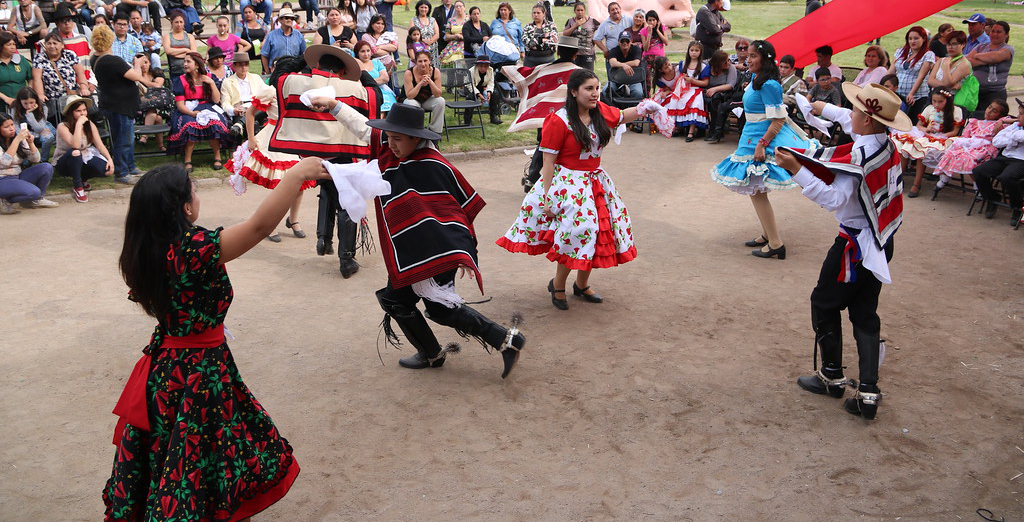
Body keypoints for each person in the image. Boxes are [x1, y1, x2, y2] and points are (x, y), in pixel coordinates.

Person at [102, 158, 323, 521]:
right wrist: (296, 175)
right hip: (200, 375)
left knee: (172, 460)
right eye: (194, 190)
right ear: (185, 207)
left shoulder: (142, 250)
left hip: (162, 373)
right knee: (212, 463)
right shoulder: (192, 247)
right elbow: (259, 227)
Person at [310, 100, 526, 376]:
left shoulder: (431, 165)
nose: (391, 145)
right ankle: (484, 344)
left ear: (417, 138)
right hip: (412, 253)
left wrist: (458, 251)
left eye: (397, 139)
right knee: (418, 305)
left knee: (417, 305)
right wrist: (332, 105)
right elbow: (364, 130)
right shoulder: (391, 156)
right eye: (388, 138)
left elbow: (452, 214)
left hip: (437, 250)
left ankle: (461, 348)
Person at [776, 82, 912, 421]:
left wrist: (797, 171)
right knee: (865, 312)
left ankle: (832, 376)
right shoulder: (885, 144)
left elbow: (836, 199)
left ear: (865, 119)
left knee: (823, 302)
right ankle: (868, 392)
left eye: (854, 110)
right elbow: (851, 121)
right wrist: (823, 108)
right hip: (881, 240)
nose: (848, 113)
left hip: (855, 245)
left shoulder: (858, 156)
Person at [498, 68, 642, 310]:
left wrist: (650, 107)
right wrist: (548, 198)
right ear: (574, 92)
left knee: (599, 232)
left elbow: (623, 115)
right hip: (568, 185)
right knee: (575, 232)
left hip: (596, 182)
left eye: (597, 88)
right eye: (589, 89)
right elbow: (548, 163)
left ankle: (582, 284)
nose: (595, 94)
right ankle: (558, 284)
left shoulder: (600, 112)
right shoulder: (558, 120)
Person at [711, 40, 814, 259]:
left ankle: (775, 242)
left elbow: (777, 120)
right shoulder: (758, 79)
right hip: (751, 136)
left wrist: (762, 144)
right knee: (757, 191)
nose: (748, 59)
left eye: (753, 56)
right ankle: (768, 235)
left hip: (761, 140)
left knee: (757, 192)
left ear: (765, 58)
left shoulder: (769, 84)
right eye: (748, 55)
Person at [93, 24, 146, 182]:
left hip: (114, 103)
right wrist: (138, 63)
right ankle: (122, 172)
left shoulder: (96, 57)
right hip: (119, 105)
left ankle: (130, 166)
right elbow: (136, 76)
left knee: (125, 138)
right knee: (123, 140)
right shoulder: (112, 60)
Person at [892, 87, 962, 198]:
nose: (936, 104)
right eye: (934, 101)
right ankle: (899, 177)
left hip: (944, 138)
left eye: (940, 102)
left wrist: (941, 136)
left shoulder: (956, 111)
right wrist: (926, 129)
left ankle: (917, 184)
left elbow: (955, 131)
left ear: (947, 101)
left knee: (922, 150)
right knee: (904, 144)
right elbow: (919, 125)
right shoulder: (930, 109)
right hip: (927, 134)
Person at [932, 100, 1009, 199]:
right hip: (970, 145)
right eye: (989, 107)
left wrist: (1002, 121)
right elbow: (965, 137)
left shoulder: (999, 125)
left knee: (971, 159)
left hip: (985, 149)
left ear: (1000, 115)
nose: (989, 111)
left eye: (994, 111)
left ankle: (977, 185)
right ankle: (945, 177)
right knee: (951, 153)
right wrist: (966, 144)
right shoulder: (975, 123)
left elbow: (1010, 120)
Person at [169, 52, 232, 172]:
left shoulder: (209, 77)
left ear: (197, 65)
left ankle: (217, 157)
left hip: (207, 106)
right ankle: (188, 160)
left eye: (188, 61)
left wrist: (211, 83)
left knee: (214, 123)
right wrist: (193, 114)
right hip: (188, 109)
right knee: (189, 125)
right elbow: (180, 105)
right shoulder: (181, 80)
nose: (185, 64)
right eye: (185, 62)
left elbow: (216, 100)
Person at [52, 96, 114, 203]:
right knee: (76, 153)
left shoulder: (90, 124)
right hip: (65, 160)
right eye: (78, 111)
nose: (82, 114)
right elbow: (75, 145)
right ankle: (78, 187)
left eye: (84, 110)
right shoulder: (63, 126)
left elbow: (100, 145)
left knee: (106, 170)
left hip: (84, 156)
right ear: (71, 112)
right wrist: (79, 125)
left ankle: (83, 178)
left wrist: (110, 160)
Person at [973, 98, 1024, 224]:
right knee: (978, 171)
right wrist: (1013, 138)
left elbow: (1020, 137)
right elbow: (997, 141)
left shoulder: (1015, 128)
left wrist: (1010, 137)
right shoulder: (1015, 125)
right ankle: (992, 198)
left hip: (1021, 161)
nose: (1017, 116)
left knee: (1007, 177)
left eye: (1021, 114)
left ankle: (1017, 207)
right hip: (1005, 157)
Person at [0, 112, 57, 212]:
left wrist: (31, 143)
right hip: (2, 180)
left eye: (12, 124)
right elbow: (5, 162)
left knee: (46, 167)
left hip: (18, 176)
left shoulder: (19, 138)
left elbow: (36, 159)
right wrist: (16, 141)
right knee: (34, 192)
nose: (12, 128)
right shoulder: (17, 140)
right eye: (6, 127)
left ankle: (37, 200)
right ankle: (6, 201)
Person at [652, 43, 707, 140]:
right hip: (684, 89)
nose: (694, 53)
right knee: (675, 101)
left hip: (696, 89)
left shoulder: (703, 66)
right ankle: (678, 127)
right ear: (688, 51)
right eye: (692, 50)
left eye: (696, 51)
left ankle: (691, 131)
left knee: (694, 104)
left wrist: (692, 80)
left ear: (701, 52)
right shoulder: (683, 64)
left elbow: (706, 82)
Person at [888, 26, 935, 122]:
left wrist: (912, 93)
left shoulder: (928, 54)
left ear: (924, 39)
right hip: (898, 93)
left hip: (917, 96)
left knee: (911, 123)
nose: (913, 41)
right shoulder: (900, 51)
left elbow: (921, 76)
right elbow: (891, 72)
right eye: (910, 38)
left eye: (916, 38)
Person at [967, 20, 1013, 113]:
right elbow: (968, 61)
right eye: (993, 31)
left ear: (1006, 34)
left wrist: (977, 56)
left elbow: (995, 57)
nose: (995, 34)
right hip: (975, 91)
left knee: (991, 121)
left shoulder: (1008, 49)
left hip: (995, 93)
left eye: (999, 32)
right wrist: (987, 59)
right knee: (973, 119)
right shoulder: (981, 46)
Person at [31, 32, 88, 103]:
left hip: (71, 97)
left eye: (55, 43)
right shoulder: (39, 58)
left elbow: (80, 73)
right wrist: (40, 94)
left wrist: (84, 88)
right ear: (45, 45)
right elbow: (37, 78)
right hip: (51, 100)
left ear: (62, 45)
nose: (52, 46)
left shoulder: (70, 55)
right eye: (49, 43)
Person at [220, 52, 262, 135]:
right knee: (253, 122)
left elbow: (266, 93)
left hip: (256, 108)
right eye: (240, 65)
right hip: (240, 110)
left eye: (246, 65)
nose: (243, 68)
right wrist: (233, 110)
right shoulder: (227, 82)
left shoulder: (256, 78)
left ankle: (240, 124)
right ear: (234, 66)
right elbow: (225, 102)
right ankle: (241, 124)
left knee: (257, 111)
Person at [403, 50, 444, 135]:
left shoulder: (436, 72)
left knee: (441, 101)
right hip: (413, 100)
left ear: (430, 61)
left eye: (425, 61)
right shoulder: (409, 73)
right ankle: (415, 131)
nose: (423, 64)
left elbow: (438, 94)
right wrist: (420, 83)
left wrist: (430, 82)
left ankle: (435, 131)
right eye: (420, 61)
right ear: (416, 62)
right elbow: (410, 96)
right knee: (410, 104)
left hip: (427, 99)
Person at [927, 31, 972, 106]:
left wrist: (946, 67)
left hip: (951, 101)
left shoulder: (964, 64)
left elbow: (948, 83)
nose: (950, 47)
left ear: (963, 45)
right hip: (934, 98)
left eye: (954, 44)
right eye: (948, 44)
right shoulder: (942, 60)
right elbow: (930, 81)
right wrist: (948, 86)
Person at [134, 53, 168, 150]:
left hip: (160, 105)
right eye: (141, 63)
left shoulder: (156, 72)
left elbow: (158, 86)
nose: (144, 65)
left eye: (146, 62)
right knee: (157, 118)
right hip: (140, 106)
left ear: (150, 63)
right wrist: (146, 99)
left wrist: (141, 79)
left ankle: (144, 136)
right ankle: (161, 145)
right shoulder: (133, 75)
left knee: (153, 107)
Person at [702, 49, 736, 143]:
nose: (729, 63)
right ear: (718, 63)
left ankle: (714, 130)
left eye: (729, 60)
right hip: (707, 91)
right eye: (725, 62)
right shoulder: (707, 66)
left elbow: (730, 85)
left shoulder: (731, 68)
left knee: (716, 99)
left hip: (724, 92)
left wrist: (715, 89)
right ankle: (701, 129)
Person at [14, 87, 55, 161]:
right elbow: (15, 126)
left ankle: (43, 159)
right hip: (24, 132)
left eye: (31, 103)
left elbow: (40, 128)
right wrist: (26, 135)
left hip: (39, 130)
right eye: (25, 103)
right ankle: (26, 160)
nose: (29, 106)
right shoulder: (15, 108)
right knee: (20, 138)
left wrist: (29, 114)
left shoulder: (43, 107)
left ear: (36, 100)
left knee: (48, 137)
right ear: (20, 102)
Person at [354, 40, 395, 111]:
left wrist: (368, 82)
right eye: (362, 51)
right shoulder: (355, 65)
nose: (366, 54)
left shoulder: (377, 62)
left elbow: (385, 78)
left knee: (387, 102)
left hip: (382, 90)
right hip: (364, 93)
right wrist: (377, 81)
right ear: (357, 53)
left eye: (368, 51)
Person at [261, 7, 305, 74]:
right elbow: (264, 55)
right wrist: (268, 72)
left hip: (294, 71)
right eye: (287, 18)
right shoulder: (271, 36)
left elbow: (304, 54)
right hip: (276, 71)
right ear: (280, 20)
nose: (289, 20)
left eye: (292, 18)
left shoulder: (299, 35)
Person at [162, 9, 197, 91]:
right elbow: (168, 51)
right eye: (176, 22)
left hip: (190, 70)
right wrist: (186, 50)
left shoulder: (189, 36)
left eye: (181, 22)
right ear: (172, 23)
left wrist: (176, 53)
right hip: (175, 71)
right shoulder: (167, 36)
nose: (179, 24)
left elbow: (194, 52)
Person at [0, 32, 31, 114]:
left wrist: (29, 94)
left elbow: (31, 78)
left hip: (23, 102)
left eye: (14, 44)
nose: (13, 47)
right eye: (9, 44)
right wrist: (6, 98)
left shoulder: (21, 59)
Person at [592, 1, 629, 71]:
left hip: (627, 55)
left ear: (620, 9)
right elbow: (596, 39)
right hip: (612, 57)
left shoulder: (628, 20)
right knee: (613, 79)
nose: (615, 11)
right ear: (609, 12)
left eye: (617, 9)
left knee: (628, 79)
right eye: (612, 10)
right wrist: (605, 50)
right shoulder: (605, 24)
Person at [606, 29, 642, 98]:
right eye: (622, 41)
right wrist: (624, 65)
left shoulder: (636, 49)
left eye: (627, 41)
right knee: (606, 90)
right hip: (616, 80)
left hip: (634, 79)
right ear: (619, 42)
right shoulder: (613, 50)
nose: (625, 43)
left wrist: (619, 64)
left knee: (638, 92)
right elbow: (612, 63)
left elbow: (636, 63)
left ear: (631, 41)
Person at [562, 2, 596, 70]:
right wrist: (575, 26)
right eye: (578, 10)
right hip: (574, 54)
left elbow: (601, 30)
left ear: (585, 10)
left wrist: (595, 40)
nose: (580, 12)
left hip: (588, 53)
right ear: (574, 11)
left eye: (582, 10)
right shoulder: (570, 21)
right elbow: (565, 33)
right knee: (575, 75)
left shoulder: (592, 21)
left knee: (588, 74)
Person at [522, 2, 557, 67]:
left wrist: (535, 44)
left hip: (548, 60)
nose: (536, 15)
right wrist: (541, 40)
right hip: (530, 61)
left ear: (544, 14)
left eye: (538, 13)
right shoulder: (528, 27)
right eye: (534, 13)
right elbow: (526, 42)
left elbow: (553, 42)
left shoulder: (551, 26)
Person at [639, 9, 666, 95]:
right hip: (647, 57)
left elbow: (666, 42)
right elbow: (645, 48)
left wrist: (658, 30)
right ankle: (647, 96)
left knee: (662, 76)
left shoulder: (662, 28)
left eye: (654, 20)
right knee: (647, 79)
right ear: (646, 21)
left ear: (657, 21)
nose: (652, 22)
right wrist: (649, 34)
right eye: (649, 20)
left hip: (659, 57)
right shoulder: (644, 31)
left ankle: (663, 94)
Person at [468, 55, 501, 124]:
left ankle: (493, 117)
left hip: (484, 87)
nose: (483, 68)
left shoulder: (491, 70)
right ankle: (467, 119)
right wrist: (478, 94)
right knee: (471, 97)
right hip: (471, 88)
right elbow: (470, 85)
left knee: (495, 94)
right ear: (477, 65)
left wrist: (489, 92)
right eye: (481, 66)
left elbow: (491, 82)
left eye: (485, 66)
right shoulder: (471, 71)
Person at [411, 0, 441, 67]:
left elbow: (437, 34)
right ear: (418, 8)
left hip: (433, 49)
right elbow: (411, 34)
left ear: (428, 9)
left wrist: (430, 42)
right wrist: (424, 41)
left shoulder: (432, 20)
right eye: (421, 7)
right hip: (419, 48)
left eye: (425, 7)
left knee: (433, 69)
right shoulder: (413, 20)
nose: (423, 9)